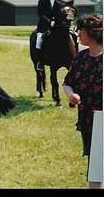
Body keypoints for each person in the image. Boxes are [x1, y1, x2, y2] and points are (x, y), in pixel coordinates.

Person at [63, 14, 103, 188]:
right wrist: (71, 94)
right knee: (95, 166)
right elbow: (68, 82)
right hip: (88, 120)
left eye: (81, 30)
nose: (78, 34)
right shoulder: (80, 58)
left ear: (93, 33)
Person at [35, 0, 66, 71]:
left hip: (58, 27)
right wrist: (49, 22)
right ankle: (40, 62)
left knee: (73, 37)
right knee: (39, 40)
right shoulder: (42, 1)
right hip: (44, 26)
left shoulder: (62, 3)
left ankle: (72, 58)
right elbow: (41, 14)